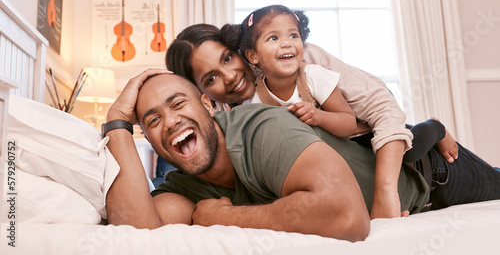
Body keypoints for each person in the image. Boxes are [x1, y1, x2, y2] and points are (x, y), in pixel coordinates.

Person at [104, 70, 500, 241]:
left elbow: (348, 218)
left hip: (432, 173)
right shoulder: (182, 185)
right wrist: (115, 123)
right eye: (152, 120)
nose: (170, 122)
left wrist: (227, 218)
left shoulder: (258, 127)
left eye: (178, 104)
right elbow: (138, 237)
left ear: (209, 106)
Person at [165, 22, 454, 219]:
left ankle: (434, 127)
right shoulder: (227, 125)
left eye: (227, 58)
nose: (229, 77)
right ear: (201, 93)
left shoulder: (297, 61)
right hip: (355, 156)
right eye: (211, 78)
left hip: (376, 134)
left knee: (414, 144)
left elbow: (384, 109)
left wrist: (384, 196)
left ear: (241, 51)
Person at [219, 4, 456, 164]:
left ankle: (433, 127)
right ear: (252, 56)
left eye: (293, 35)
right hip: (327, 151)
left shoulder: (312, 75)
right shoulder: (255, 99)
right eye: (274, 38)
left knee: (406, 155)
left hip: (359, 133)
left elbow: (348, 122)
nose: (287, 44)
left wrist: (318, 117)